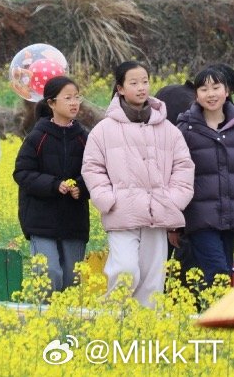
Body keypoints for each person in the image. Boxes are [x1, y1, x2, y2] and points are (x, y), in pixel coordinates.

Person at [83, 61, 195, 307]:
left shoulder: (168, 129)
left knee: (152, 280)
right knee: (124, 271)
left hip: (159, 212)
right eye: (133, 83)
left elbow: (184, 167)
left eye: (145, 81)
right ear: (120, 88)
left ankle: (144, 331)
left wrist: (173, 199)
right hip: (121, 212)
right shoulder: (103, 130)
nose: (141, 87)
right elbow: (92, 168)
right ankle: (111, 321)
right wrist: (106, 199)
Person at [13, 76, 90, 292]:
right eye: (68, 98)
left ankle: (67, 324)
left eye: (77, 97)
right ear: (51, 103)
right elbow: (22, 172)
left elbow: (95, 172)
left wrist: (81, 188)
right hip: (40, 218)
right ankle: (44, 321)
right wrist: (54, 185)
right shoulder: (38, 137)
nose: (74, 103)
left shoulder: (84, 137)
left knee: (71, 277)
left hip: (74, 219)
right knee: (48, 273)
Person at [175, 66, 234, 287]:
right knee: (217, 273)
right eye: (204, 89)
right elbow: (176, 174)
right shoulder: (185, 130)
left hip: (230, 216)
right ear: (196, 94)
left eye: (216, 87)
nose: (211, 94)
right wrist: (175, 222)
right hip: (200, 217)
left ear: (226, 91)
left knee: (226, 273)